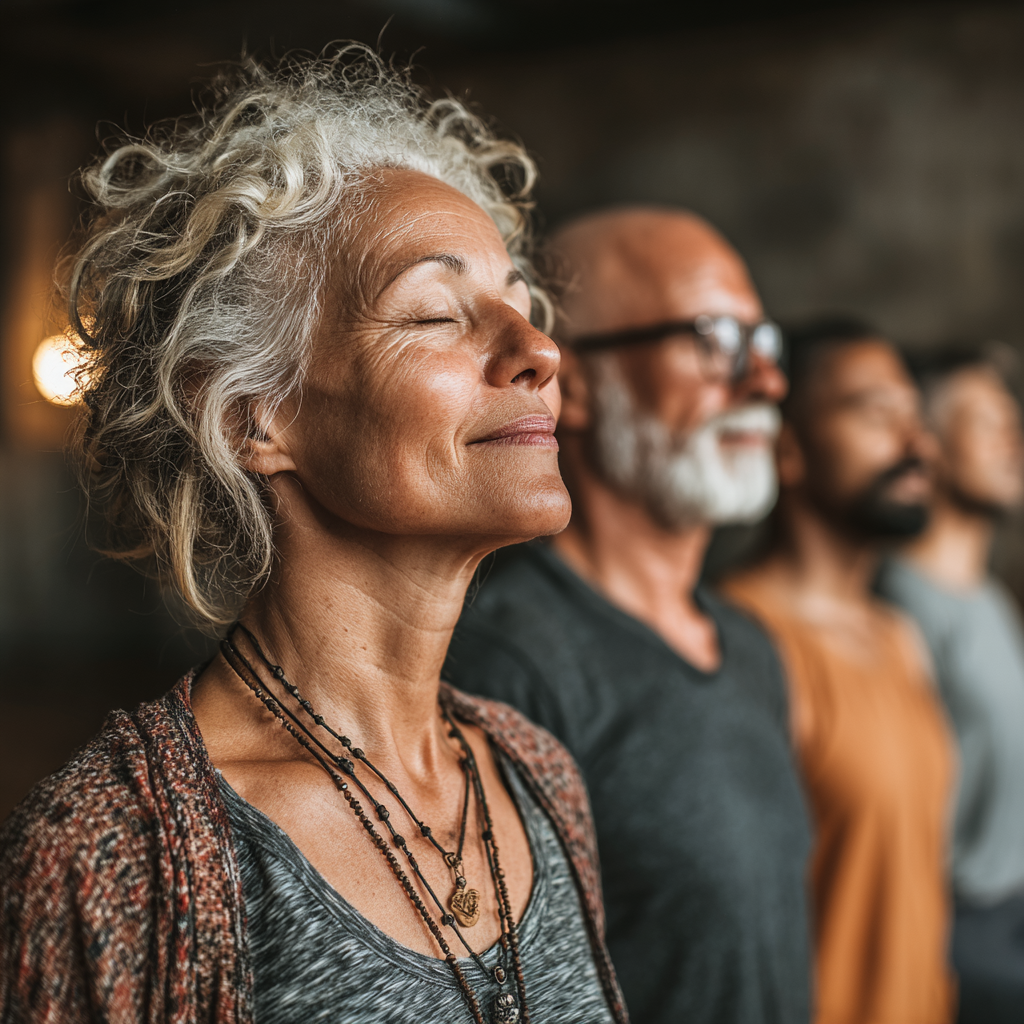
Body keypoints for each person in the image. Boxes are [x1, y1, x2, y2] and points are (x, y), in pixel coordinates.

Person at [0, 50, 629, 1024]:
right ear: (256, 417)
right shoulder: (110, 849)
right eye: (433, 312)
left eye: (521, 304)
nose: (539, 348)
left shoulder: (534, 775)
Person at [444, 207, 813, 1024]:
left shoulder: (749, 646)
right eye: (714, 338)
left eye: (764, 345)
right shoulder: (506, 663)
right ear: (572, 385)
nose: (765, 384)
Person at [722, 318, 955, 1024]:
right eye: (877, 414)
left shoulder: (899, 637)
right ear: (786, 447)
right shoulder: (742, 640)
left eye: (917, 419)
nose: (917, 446)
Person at [877, 351, 1024, 1024]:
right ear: (926, 444)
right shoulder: (899, 607)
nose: (1014, 441)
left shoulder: (989, 599)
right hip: (957, 934)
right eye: (986, 422)